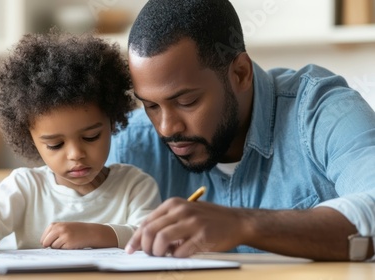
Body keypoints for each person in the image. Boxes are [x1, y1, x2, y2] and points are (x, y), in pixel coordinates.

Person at [106, 0, 375, 261]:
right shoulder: (131, 143)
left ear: (241, 73)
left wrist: (242, 224)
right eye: (151, 105)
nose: (166, 128)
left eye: (186, 101)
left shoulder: (322, 111)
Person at [0, 32, 161, 251]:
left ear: (112, 122)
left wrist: (94, 233)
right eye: (55, 145)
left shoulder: (135, 186)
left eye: (90, 137)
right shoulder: (26, 187)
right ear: (31, 139)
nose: (75, 154)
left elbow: (150, 237)